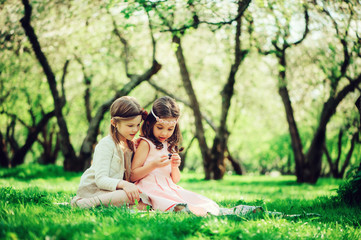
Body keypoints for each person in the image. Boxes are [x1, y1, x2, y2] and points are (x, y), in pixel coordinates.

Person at [130, 96, 220, 216]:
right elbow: (133, 175)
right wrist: (153, 165)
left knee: (199, 201)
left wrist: (174, 166)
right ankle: (181, 209)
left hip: (168, 187)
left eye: (170, 129)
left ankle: (209, 210)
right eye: (160, 127)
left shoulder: (169, 145)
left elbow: (175, 180)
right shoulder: (146, 144)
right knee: (167, 201)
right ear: (150, 123)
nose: (164, 133)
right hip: (150, 187)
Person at [71, 96, 150, 209]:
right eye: (130, 125)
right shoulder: (106, 144)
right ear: (114, 123)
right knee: (127, 196)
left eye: (138, 125)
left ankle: (106, 206)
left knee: (146, 202)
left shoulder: (132, 145)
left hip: (115, 192)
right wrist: (124, 185)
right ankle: (83, 203)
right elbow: (101, 180)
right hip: (96, 190)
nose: (135, 129)